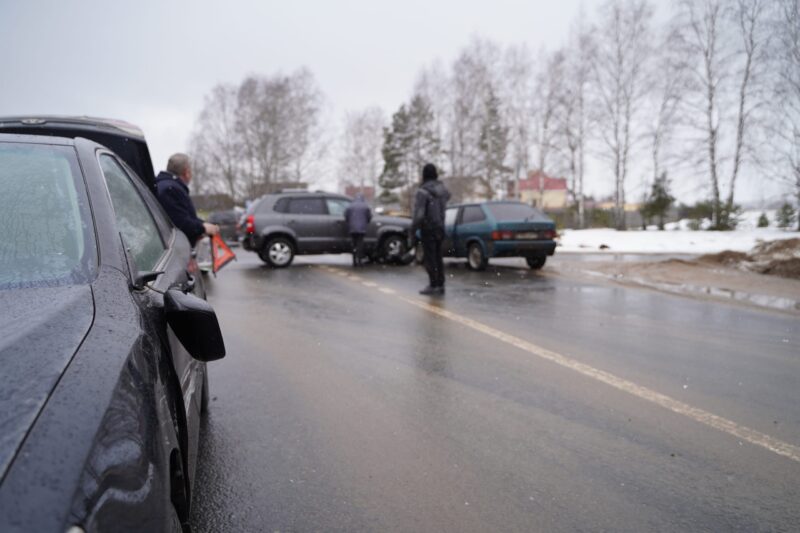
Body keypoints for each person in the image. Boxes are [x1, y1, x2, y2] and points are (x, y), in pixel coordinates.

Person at [154, 153, 219, 246]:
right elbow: (180, 223)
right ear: (186, 172)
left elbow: (183, 216)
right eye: (191, 171)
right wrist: (203, 228)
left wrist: (203, 224)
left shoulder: (162, 185)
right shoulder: (171, 190)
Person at [411, 163, 450, 295]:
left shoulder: (423, 191)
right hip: (440, 226)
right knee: (438, 257)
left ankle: (433, 284)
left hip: (428, 227)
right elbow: (446, 200)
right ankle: (440, 284)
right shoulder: (442, 191)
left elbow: (419, 214)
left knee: (430, 258)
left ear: (424, 175)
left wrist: (413, 229)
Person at [344, 193, 372, 267]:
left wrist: (349, 222)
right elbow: (369, 217)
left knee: (354, 243)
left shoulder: (350, 206)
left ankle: (354, 260)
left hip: (352, 228)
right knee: (360, 244)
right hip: (362, 228)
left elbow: (346, 216)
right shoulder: (365, 206)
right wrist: (366, 222)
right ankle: (359, 260)